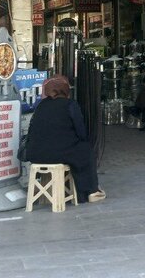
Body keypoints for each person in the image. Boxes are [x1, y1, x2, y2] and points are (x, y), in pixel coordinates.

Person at [24, 75, 104, 203]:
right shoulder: (70, 105)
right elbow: (81, 132)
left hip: (36, 154)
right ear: (66, 91)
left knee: (74, 150)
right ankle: (90, 191)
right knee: (86, 151)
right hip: (59, 153)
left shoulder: (41, 106)